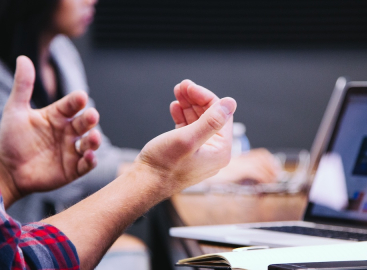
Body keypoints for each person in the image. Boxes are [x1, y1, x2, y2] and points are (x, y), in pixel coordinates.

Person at [0, 0, 280, 223]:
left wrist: (179, 167)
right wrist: (180, 172)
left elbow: (94, 158)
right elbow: (69, 178)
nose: (92, 1)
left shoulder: (62, 53)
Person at [0, 55, 237, 270]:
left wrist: (7, 177)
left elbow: (99, 154)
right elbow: (20, 263)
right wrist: (155, 174)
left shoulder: (62, 53)